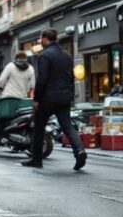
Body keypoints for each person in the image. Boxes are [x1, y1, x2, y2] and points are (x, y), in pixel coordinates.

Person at [23, 28, 87, 171]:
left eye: (41, 39)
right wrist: (69, 94)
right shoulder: (67, 55)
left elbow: (42, 80)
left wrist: (36, 99)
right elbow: (71, 78)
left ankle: (36, 159)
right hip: (64, 97)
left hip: (48, 98)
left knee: (38, 128)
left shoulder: (44, 55)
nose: (40, 41)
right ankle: (80, 151)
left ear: (45, 39)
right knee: (68, 126)